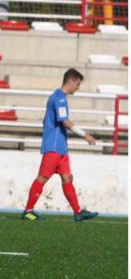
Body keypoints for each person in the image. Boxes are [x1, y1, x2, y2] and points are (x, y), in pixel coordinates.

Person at [21, 68, 100, 221]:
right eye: (77, 84)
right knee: (42, 178)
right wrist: (85, 135)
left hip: (61, 147)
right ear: (70, 82)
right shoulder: (59, 98)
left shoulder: (59, 97)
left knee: (67, 178)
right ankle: (28, 211)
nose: (78, 87)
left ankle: (78, 212)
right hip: (54, 147)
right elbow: (64, 121)